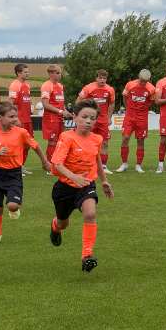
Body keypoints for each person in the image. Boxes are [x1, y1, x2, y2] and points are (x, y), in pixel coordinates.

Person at [49, 99, 113, 272]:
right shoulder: (67, 137)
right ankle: (55, 226)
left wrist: (104, 180)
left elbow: (97, 160)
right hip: (64, 188)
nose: (88, 121)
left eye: (92, 118)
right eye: (84, 117)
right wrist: (73, 177)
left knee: (90, 213)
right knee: (64, 223)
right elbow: (56, 164)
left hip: (86, 185)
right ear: (75, 117)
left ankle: (87, 255)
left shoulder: (96, 139)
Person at [0, 101, 50, 246]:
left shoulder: (21, 132)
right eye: (11, 116)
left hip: (14, 174)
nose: (15, 119)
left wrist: (45, 162)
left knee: (13, 206)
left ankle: (14, 209)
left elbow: (36, 146)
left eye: (15, 116)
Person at [76, 69, 115, 168]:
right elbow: (78, 101)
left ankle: (104, 167)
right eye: (100, 78)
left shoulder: (110, 89)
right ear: (96, 78)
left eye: (104, 78)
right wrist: (80, 115)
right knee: (86, 140)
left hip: (103, 121)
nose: (102, 80)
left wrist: (109, 117)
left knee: (104, 142)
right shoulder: (88, 88)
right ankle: (86, 164)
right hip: (91, 120)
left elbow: (111, 104)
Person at [119, 69, 156, 173]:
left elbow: (151, 101)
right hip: (129, 117)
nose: (143, 83)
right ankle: (124, 164)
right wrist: (128, 109)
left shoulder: (152, 89)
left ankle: (138, 165)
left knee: (140, 141)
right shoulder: (130, 84)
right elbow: (124, 97)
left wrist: (143, 109)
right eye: (142, 80)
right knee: (125, 138)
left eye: (146, 81)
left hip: (142, 118)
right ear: (139, 77)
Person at [40, 65, 72, 165]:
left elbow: (61, 103)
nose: (60, 75)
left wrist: (66, 111)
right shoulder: (47, 85)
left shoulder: (60, 86)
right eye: (57, 73)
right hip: (51, 118)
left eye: (60, 73)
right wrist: (61, 112)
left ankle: (57, 162)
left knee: (60, 141)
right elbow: (45, 104)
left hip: (59, 117)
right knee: (52, 142)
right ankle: (50, 165)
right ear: (51, 74)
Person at [7, 63, 34, 171]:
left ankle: (21, 165)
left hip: (27, 119)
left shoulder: (27, 85)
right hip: (20, 119)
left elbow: (27, 100)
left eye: (28, 72)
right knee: (18, 144)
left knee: (28, 143)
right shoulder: (15, 85)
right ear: (18, 73)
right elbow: (11, 103)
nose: (28, 74)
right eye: (25, 72)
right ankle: (16, 166)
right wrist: (15, 118)